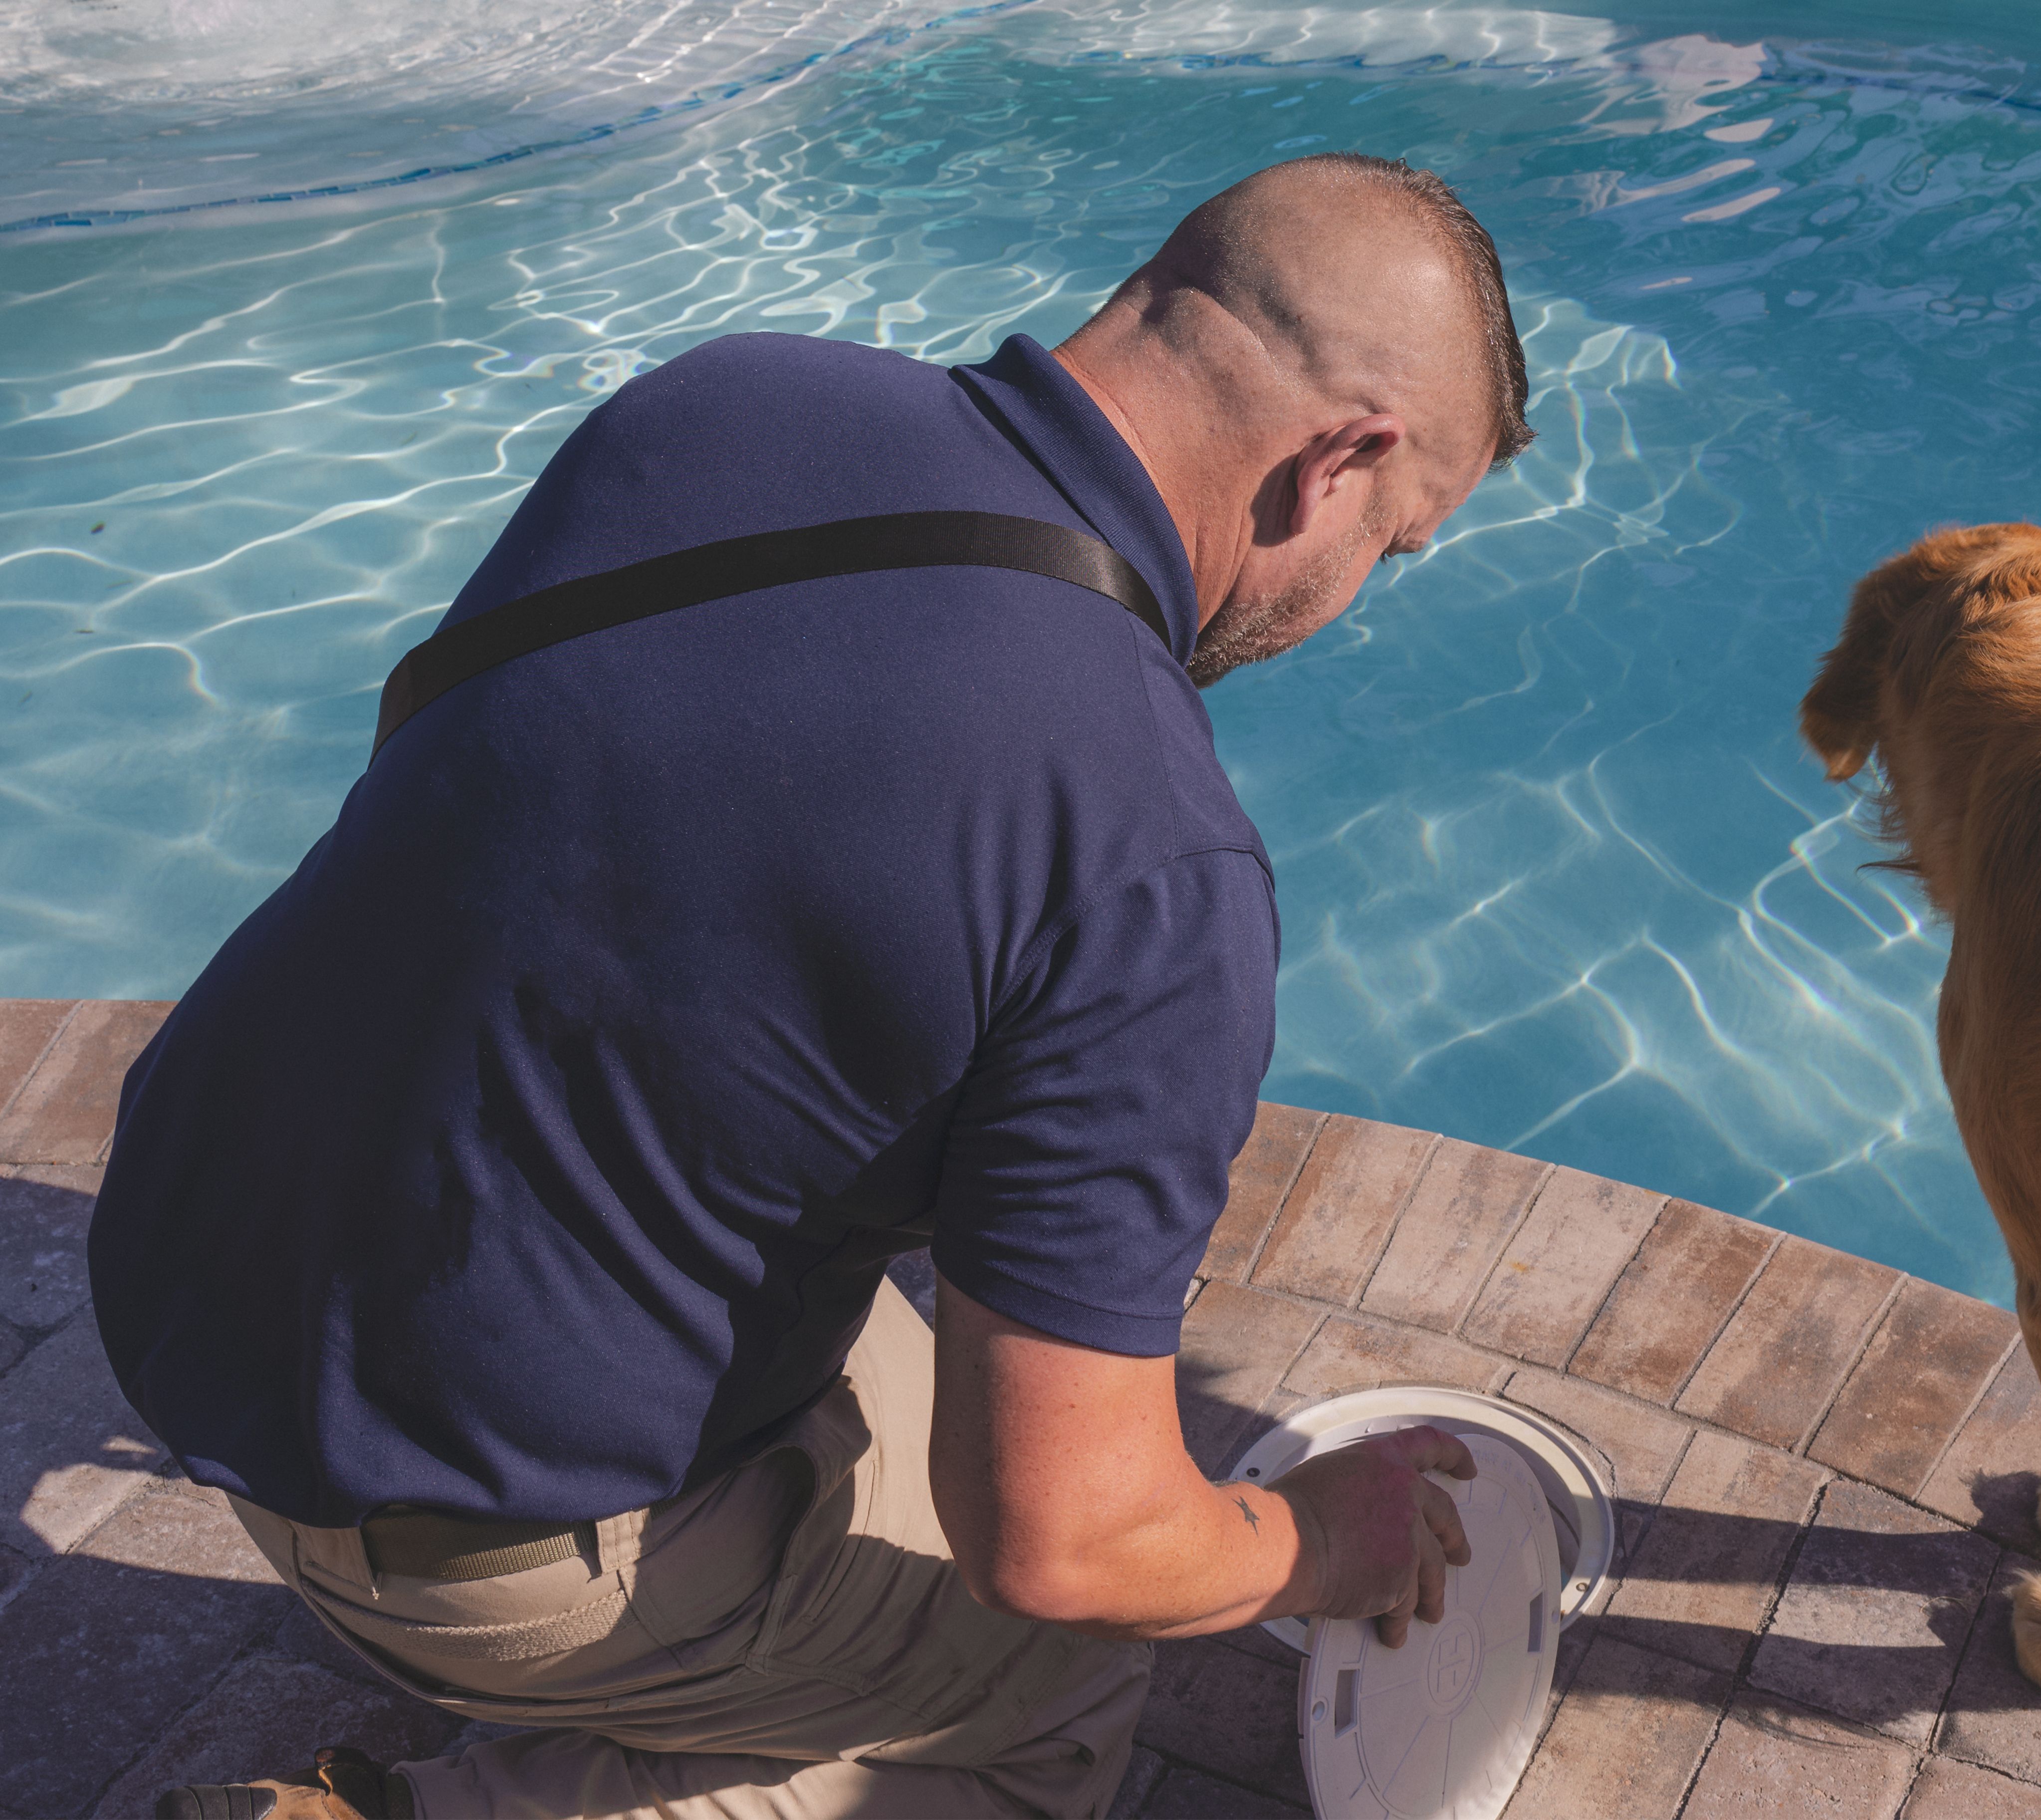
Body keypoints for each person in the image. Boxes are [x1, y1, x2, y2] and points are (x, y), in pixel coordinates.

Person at [95, 151, 1535, 1820]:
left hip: (189, 1281)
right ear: (1337, 462)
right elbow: (1064, 1546)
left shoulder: (718, 404)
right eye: (1397, 543)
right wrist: (1314, 1546)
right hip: (458, 1533)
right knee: (1065, 1682)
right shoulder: (1152, 855)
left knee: (959, 1389)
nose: (1353, 597)